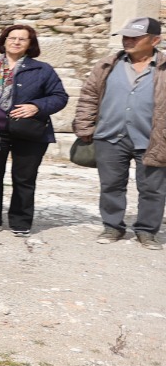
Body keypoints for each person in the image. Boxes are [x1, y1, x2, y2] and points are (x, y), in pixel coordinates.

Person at [73, 16, 166, 248]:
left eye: (135, 37)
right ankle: (112, 227)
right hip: (110, 136)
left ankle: (146, 231)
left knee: (152, 188)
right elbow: (89, 96)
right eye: (126, 36)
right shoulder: (107, 65)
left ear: (155, 40)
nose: (128, 40)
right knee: (111, 185)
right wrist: (84, 126)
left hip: (152, 139)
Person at [0, 23, 68, 236]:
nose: (16, 42)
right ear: (3, 41)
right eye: (12, 38)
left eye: (22, 39)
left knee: (24, 178)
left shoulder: (42, 69)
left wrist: (37, 106)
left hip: (30, 132)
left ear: (30, 44)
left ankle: (20, 221)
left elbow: (60, 97)